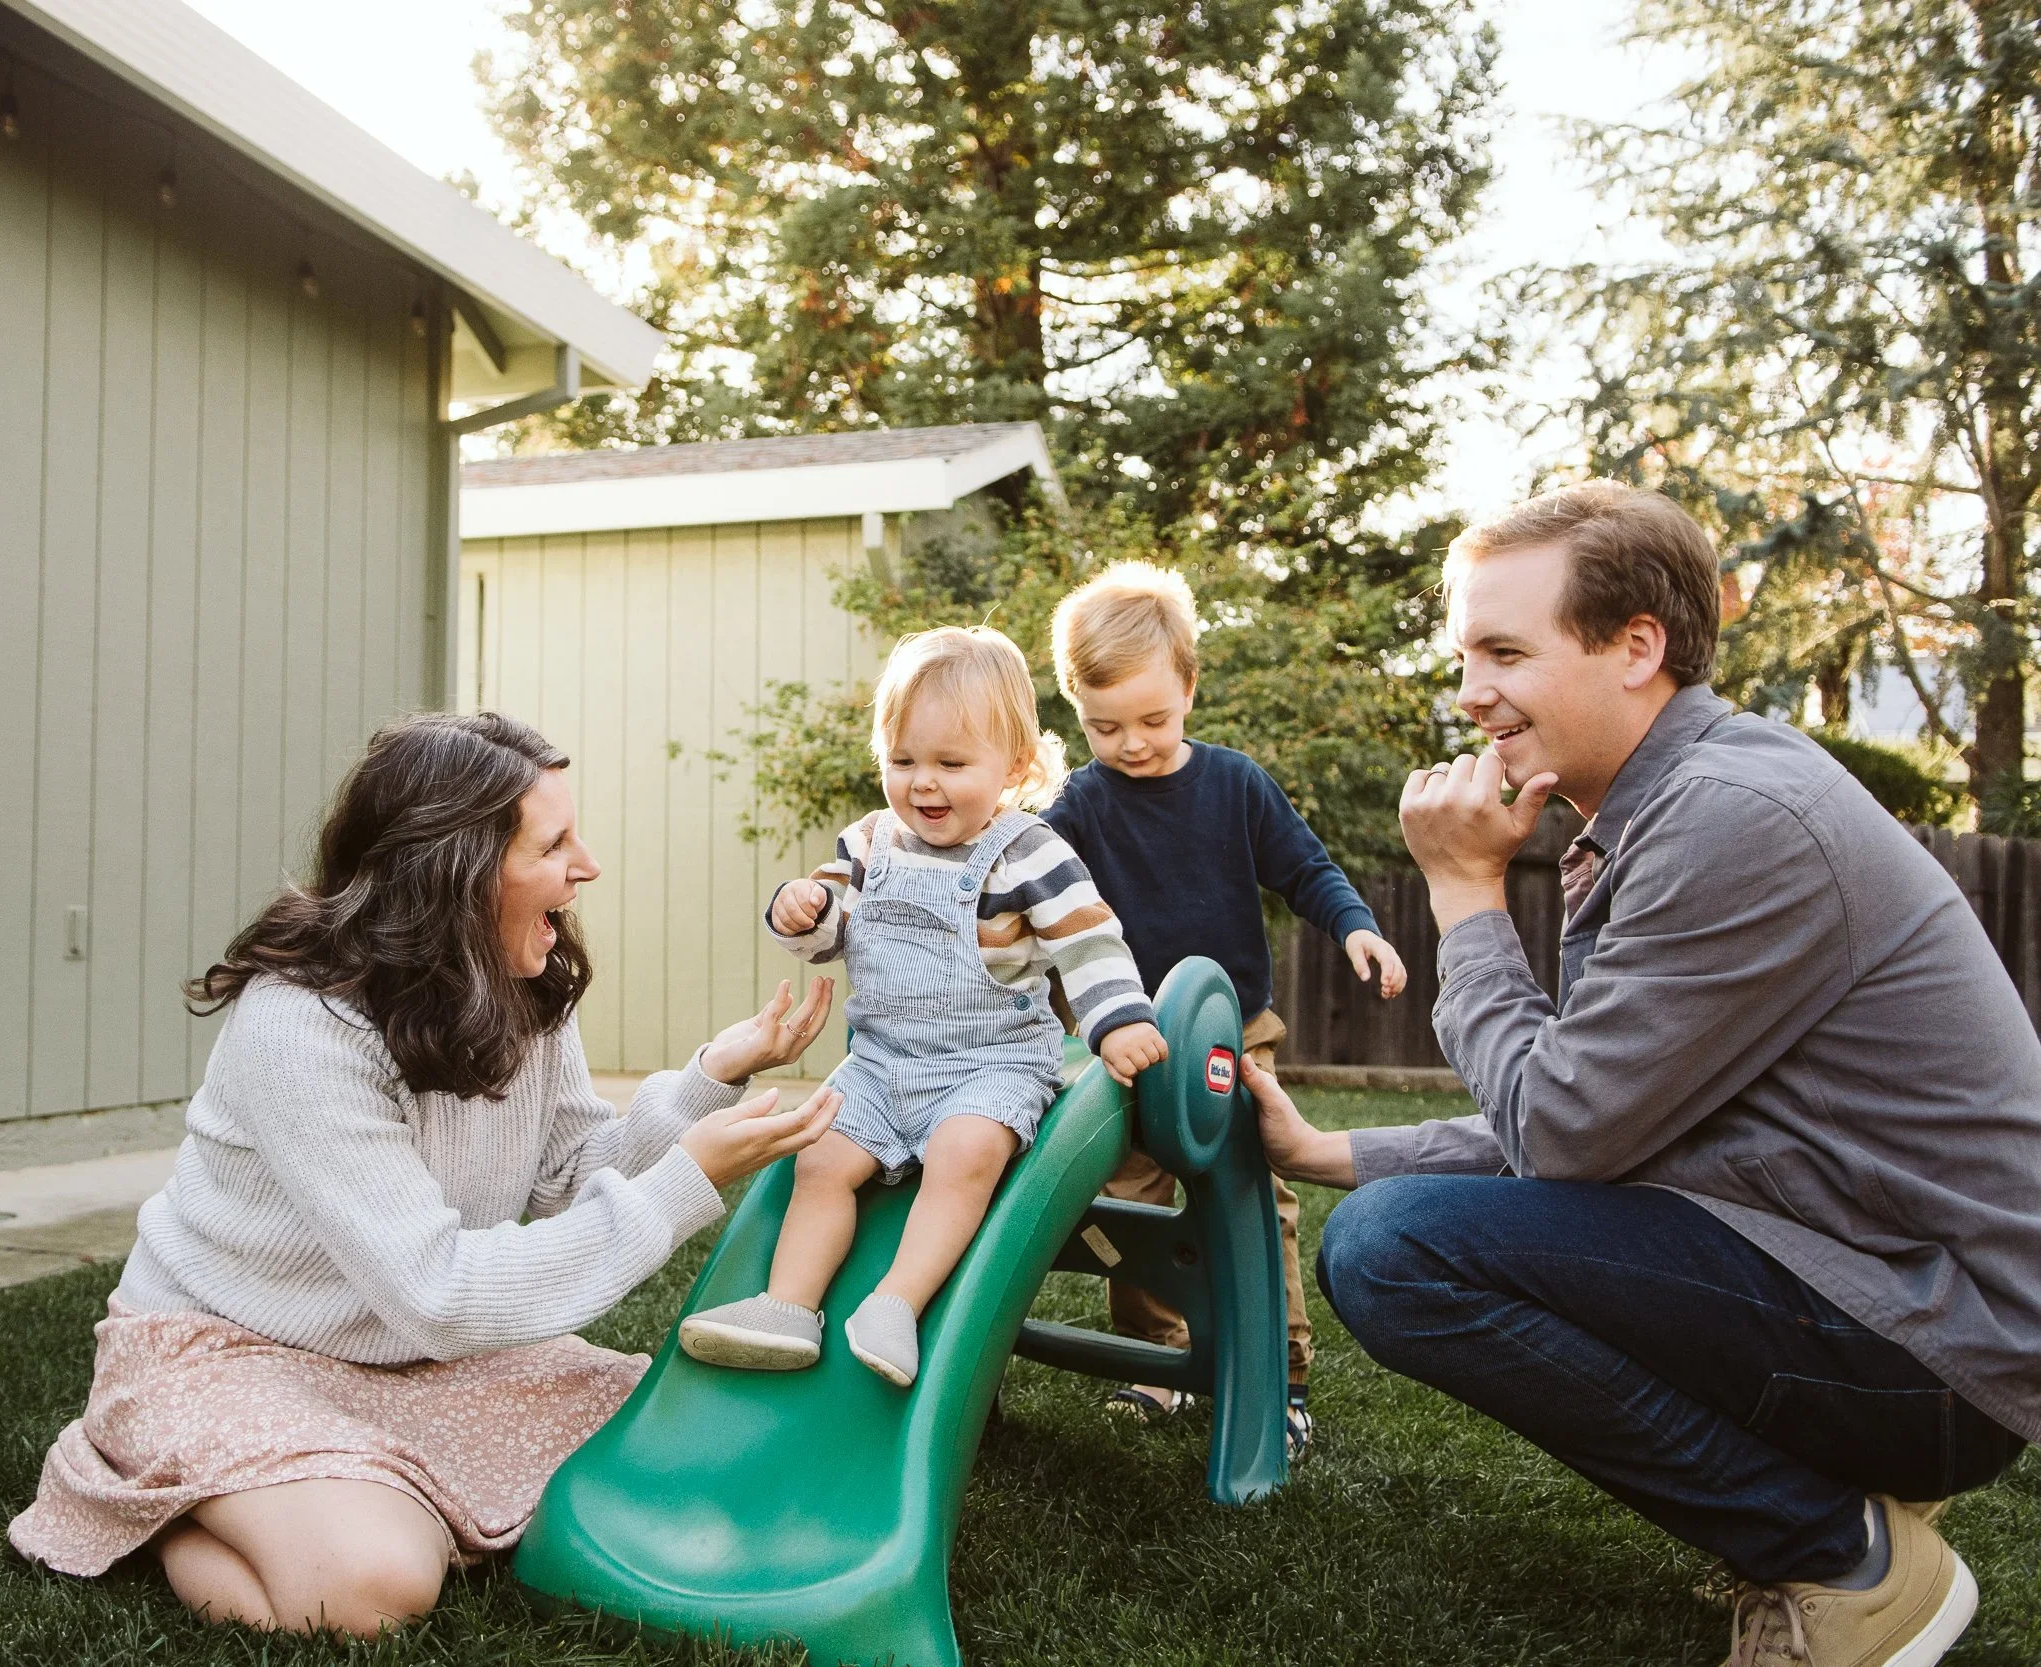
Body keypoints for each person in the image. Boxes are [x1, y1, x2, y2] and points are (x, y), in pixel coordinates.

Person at [1251, 482, 2041, 1667]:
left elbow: (1562, 1134)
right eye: (1466, 654)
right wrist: (1332, 1152)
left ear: (1636, 647)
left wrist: (1465, 895)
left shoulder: (1731, 816)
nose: (1470, 693)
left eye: (1504, 650)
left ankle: (1843, 1553)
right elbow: (1607, 1118)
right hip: (1865, 1282)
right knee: (1386, 1214)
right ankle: (1831, 1508)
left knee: (1394, 1251)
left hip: (1935, 1348)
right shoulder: (1668, 802)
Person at [8, 712, 846, 1638]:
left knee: (675, 1441)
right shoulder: (300, 1026)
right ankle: (163, 1502)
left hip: (408, 1354)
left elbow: (567, 1173)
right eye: (555, 843)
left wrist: (707, 1084)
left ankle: (351, 1481)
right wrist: (684, 1181)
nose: (589, 865)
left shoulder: (524, 984)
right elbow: (440, 1291)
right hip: (225, 1351)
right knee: (372, 1587)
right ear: (455, 870)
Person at [676, 627, 1166, 1390]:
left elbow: (1089, 939)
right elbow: (831, 934)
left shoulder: (1027, 850)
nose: (923, 784)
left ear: (1017, 766)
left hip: (990, 1064)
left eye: (950, 763)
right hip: (879, 1064)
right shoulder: (871, 841)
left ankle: (897, 1303)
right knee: (819, 1158)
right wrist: (801, 912)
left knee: (964, 1153)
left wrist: (1120, 1019)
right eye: (902, 761)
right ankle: (788, 1306)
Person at [1041, 562, 1408, 1447]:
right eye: (1104, 726)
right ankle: (1151, 1364)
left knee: (1254, 1193)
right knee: (1132, 1198)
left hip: (1232, 1036)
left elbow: (1304, 867)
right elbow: (1030, 892)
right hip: (1130, 1039)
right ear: (1075, 709)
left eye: (1154, 720)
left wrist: (1354, 924)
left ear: (1190, 687)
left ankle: (1278, 1376)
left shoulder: (1235, 785)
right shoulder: (1081, 806)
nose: (1132, 743)